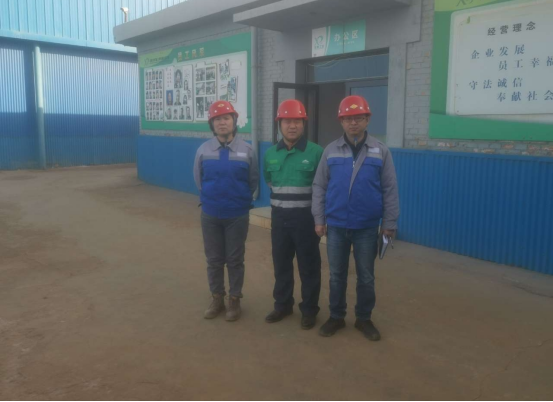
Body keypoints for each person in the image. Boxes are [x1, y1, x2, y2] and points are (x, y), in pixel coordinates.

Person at [312, 95, 400, 341]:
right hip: (336, 225)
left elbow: (390, 189)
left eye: (358, 118)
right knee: (336, 275)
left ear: (367, 119)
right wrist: (319, 218)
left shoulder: (380, 151)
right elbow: (319, 185)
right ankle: (336, 316)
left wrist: (389, 223)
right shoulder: (330, 150)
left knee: (366, 276)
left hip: (366, 227)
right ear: (341, 121)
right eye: (348, 118)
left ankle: (364, 318)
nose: (353, 123)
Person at [194, 101, 259, 322]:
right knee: (213, 259)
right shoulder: (203, 150)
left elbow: (253, 181)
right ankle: (217, 298)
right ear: (212, 124)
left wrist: (239, 200)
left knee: (235, 259)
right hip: (210, 214)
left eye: (226, 118)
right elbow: (199, 180)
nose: (222, 122)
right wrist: (211, 199)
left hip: (237, 215)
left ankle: (234, 299)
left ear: (234, 121)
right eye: (217, 119)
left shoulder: (247, 150)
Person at [263, 100, 324, 330]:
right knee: (281, 265)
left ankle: (309, 310)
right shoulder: (270, 154)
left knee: (309, 267)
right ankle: (283, 305)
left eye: (297, 121)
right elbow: (269, 181)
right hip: (279, 219)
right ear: (279, 124)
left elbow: (322, 188)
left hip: (306, 220)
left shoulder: (316, 152)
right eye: (287, 121)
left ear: (303, 124)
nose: (292, 126)